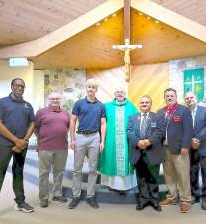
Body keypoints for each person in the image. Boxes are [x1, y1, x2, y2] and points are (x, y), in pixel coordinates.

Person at [0, 78, 35, 224]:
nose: (19, 88)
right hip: (5, 145)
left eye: (22, 86)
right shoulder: (1, 102)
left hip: (21, 146)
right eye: (17, 85)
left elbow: (32, 123)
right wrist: (15, 140)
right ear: (11, 86)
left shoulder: (27, 105)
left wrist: (24, 140)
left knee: (18, 174)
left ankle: (20, 202)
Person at [68, 79, 106, 209]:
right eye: (89, 87)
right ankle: (76, 196)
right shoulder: (79, 103)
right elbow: (72, 122)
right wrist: (72, 139)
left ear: (96, 89)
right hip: (80, 137)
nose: (91, 89)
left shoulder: (101, 105)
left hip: (94, 137)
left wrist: (102, 141)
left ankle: (90, 196)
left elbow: (103, 124)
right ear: (86, 88)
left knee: (93, 169)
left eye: (93, 87)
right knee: (77, 168)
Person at [158, 88, 193, 213]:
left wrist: (185, 146)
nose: (169, 97)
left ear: (176, 96)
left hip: (179, 149)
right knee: (169, 175)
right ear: (164, 98)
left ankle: (185, 200)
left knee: (182, 175)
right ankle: (172, 197)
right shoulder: (161, 111)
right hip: (165, 149)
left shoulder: (184, 110)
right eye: (167, 96)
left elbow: (189, 130)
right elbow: (158, 131)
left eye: (171, 95)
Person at [127, 95, 164, 211]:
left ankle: (154, 200)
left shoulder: (157, 117)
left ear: (150, 104)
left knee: (153, 178)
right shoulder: (133, 117)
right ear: (139, 104)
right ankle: (143, 200)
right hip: (138, 152)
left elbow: (160, 131)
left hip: (152, 151)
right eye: (142, 102)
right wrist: (137, 141)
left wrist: (149, 141)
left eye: (146, 102)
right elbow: (129, 131)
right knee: (141, 178)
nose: (144, 104)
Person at [98, 87, 138, 192]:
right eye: (118, 92)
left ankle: (125, 186)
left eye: (121, 92)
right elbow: (102, 122)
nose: (119, 94)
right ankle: (112, 185)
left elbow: (137, 121)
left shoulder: (131, 106)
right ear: (114, 94)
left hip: (126, 139)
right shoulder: (107, 106)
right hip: (111, 138)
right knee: (111, 159)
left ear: (124, 94)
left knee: (125, 159)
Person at [35, 92, 70, 208]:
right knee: (44, 173)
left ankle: (57, 194)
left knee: (59, 172)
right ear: (49, 100)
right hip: (45, 147)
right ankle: (44, 198)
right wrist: (41, 138)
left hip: (62, 147)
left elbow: (68, 127)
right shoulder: (41, 112)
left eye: (57, 98)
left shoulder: (65, 113)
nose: (55, 100)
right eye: (52, 99)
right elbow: (35, 127)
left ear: (60, 100)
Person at [184, 91, 206, 210]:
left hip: (205, 147)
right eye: (187, 98)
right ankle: (195, 195)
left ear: (196, 98)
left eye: (191, 97)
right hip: (191, 150)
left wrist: (196, 139)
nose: (189, 100)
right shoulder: (184, 112)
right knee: (193, 173)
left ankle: (205, 198)